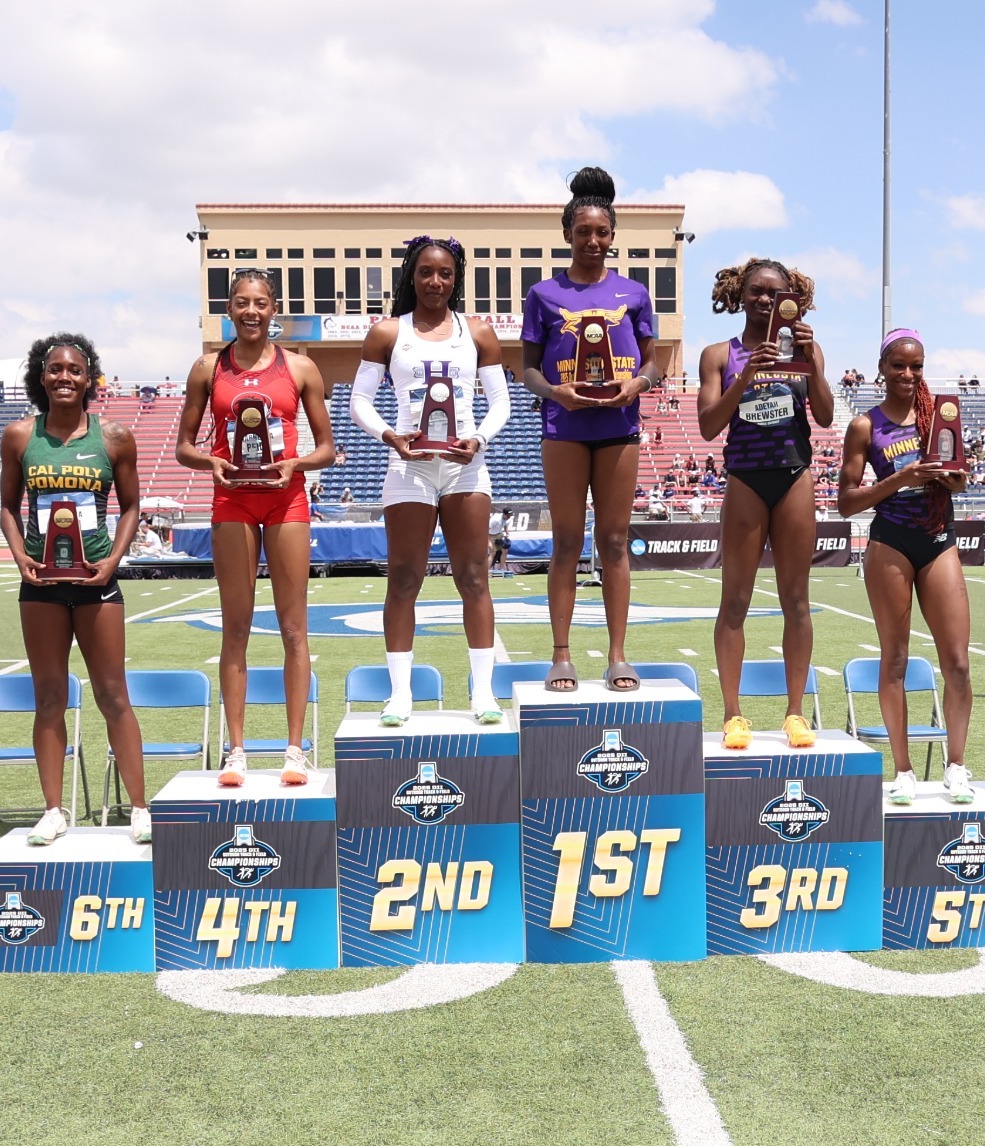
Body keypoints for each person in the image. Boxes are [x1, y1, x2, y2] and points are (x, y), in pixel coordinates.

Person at [177, 271, 336, 785]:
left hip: (286, 501)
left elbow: (327, 449)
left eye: (261, 303)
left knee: (294, 627)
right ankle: (237, 751)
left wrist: (297, 466)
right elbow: (184, 445)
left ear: (274, 310)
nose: (251, 311)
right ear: (229, 309)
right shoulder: (207, 368)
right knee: (236, 627)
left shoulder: (301, 367)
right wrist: (210, 464)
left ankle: (294, 749)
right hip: (232, 500)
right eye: (242, 303)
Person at [0, 332, 153, 844]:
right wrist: (20, 555)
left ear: (90, 378)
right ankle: (52, 811)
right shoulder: (20, 436)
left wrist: (114, 559)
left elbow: (130, 506)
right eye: (55, 369)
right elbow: (7, 505)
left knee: (113, 693)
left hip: (97, 583)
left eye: (75, 370)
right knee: (48, 696)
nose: (65, 377)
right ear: (41, 376)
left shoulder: (114, 438)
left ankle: (138, 808)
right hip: (41, 585)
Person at [351, 236, 510, 725]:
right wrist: (390, 437)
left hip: (465, 467)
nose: (435, 281)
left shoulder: (478, 332)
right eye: (425, 272)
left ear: (456, 277)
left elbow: (500, 402)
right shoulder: (386, 333)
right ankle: (401, 694)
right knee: (403, 578)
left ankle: (481, 693)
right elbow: (359, 401)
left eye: (444, 272)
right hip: (408, 466)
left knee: (473, 577)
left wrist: (478, 439)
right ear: (411, 275)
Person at [519, 166, 661, 692]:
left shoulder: (634, 293)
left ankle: (618, 653)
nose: (594, 241)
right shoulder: (543, 294)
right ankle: (561, 654)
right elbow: (528, 368)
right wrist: (555, 393)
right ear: (567, 235)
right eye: (584, 232)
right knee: (565, 541)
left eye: (602, 233)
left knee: (616, 539)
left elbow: (653, 362)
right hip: (564, 425)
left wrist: (637, 387)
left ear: (613, 236)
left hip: (619, 424)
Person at [696, 257, 833, 748]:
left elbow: (824, 414)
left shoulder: (804, 349)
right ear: (741, 293)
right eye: (756, 291)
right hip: (747, 479)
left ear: (789, 298)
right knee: (735, 599)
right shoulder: (719, 354)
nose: (765, 300)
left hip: (794, 475)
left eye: (775, 293)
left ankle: (796, 713)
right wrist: (745, 376)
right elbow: (709, 425)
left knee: (796, 600)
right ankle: (733, 714)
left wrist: (812, 358)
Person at [838, 330, 976, 803]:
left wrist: (956, 478)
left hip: (937, 540)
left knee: (957, 662)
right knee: (894, 658)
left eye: (916, 366)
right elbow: (846, 502)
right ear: (882, 367)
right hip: (890, 544)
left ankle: (956, 765)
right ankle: (903, 770)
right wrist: (901, 477)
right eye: (898, 365)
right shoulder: (865, 425)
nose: (908, 374)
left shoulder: (940, 415)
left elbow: (958, 484)